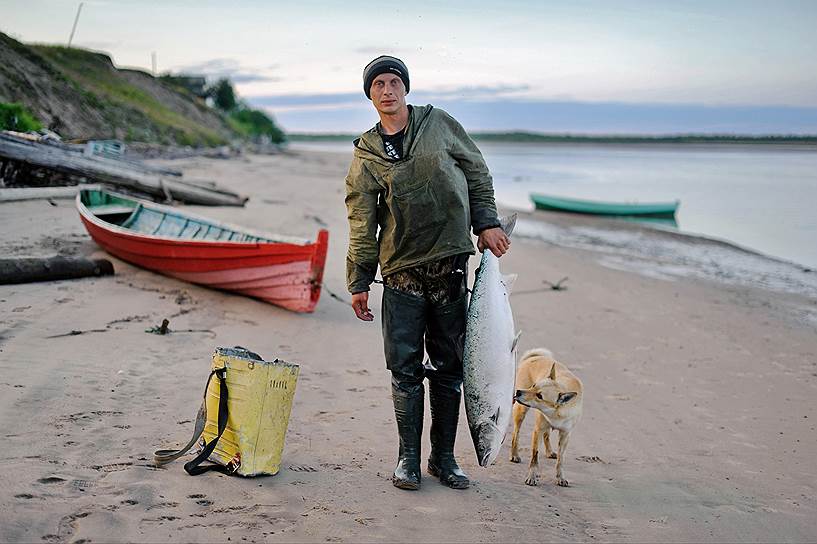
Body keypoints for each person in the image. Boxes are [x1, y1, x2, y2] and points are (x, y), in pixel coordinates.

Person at [345, 55, 509, 490]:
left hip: (450, 268)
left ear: (406, 88)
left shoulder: (440, 124)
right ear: (370, 94)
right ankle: (408, 460)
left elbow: (476, 172)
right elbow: (362, 220)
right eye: (378, 84)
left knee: (450, 367)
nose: (387, 90)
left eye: (394, 81)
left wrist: (486, 221)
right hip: (400, 274)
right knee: (404, 370)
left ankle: (444, 458)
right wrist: (359, 280)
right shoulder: (366, 154)